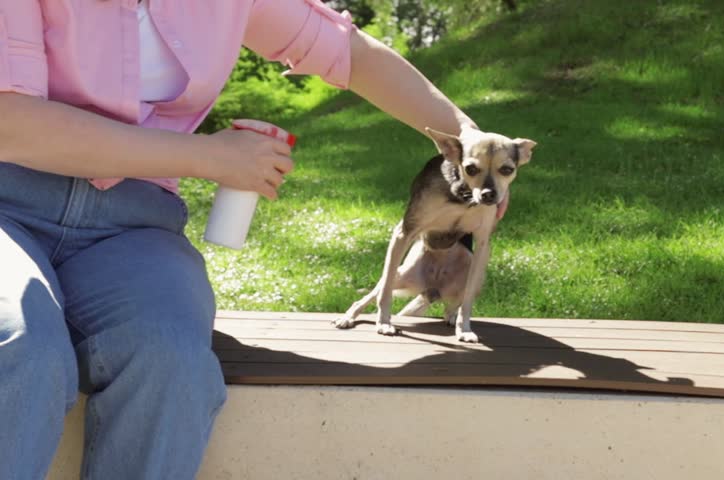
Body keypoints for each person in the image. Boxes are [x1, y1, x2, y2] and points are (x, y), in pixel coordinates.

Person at [0, 1, 512, 479]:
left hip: (132, 226)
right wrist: (207, 157)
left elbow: (349, 54)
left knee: (171, 357)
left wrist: (466, 135)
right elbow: (12, 124)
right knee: (22, 344)